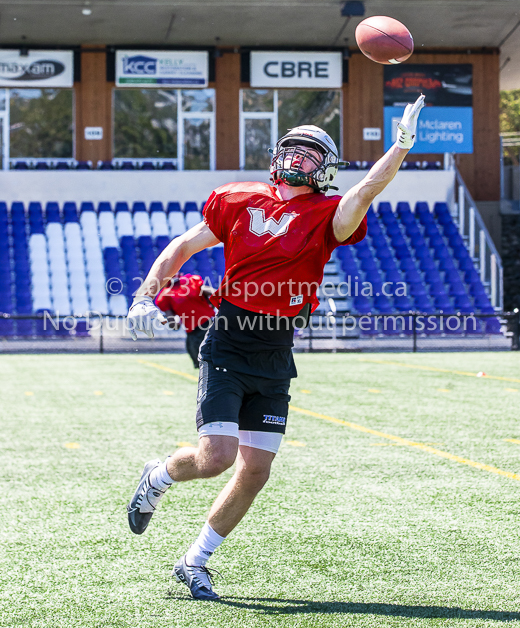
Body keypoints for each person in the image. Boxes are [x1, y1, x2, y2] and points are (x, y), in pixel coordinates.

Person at [126, 95, 425, 601]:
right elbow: (181, 247)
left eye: (311, 153)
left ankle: (194, 562)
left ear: (325, 169)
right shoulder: (237, 198)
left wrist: (399, 146)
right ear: (275, 155)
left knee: (256, 470)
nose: (298, 158)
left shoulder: (329, 214)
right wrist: (145, 296)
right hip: (229, 340)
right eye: (293, 149)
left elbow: (367, 191)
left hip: (276, 351)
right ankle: (158, 476)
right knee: (216, 457)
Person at [155, 272, 216, 368]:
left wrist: (175, 322)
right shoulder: (191, 281)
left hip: (197, 329)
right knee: (206, 358)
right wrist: (210, 306)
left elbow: (173, 325)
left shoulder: (165, 295)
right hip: (204, 325)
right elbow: (214, 293)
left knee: (202, 359)